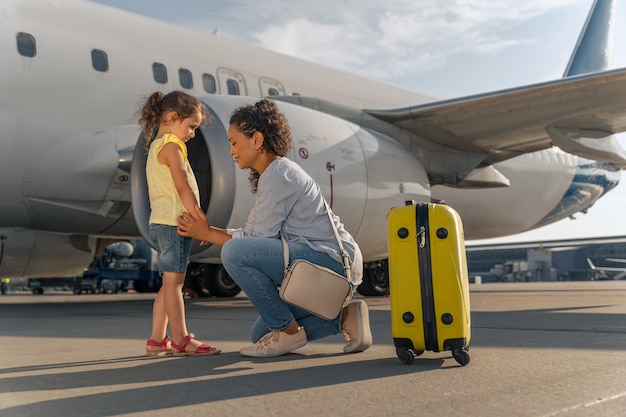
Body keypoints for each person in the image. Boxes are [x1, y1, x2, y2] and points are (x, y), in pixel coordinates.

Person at [177, 99, 372, 358]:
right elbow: (253, 234)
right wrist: (210, 231)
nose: (230, 152)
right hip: (321, 265)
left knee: (234, 254)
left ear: (256, 140)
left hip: (332, 263)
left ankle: (289, 331)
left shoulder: (279, 174)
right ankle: (345, 317)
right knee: (260, 336)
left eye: (234, 143)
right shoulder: (273, 175)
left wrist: (209, 234)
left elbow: (252, 242)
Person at [137, 90, 220, 357]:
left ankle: (157, 340)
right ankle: (182, 338)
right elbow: (182, 185)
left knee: (168, 282)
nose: (193, 133)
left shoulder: (157, 147)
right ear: (173, 118)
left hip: (163, 222)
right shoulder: (172, 146)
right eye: (191, 126)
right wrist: (199, 215)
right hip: (173, 223)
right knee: (174, 283)